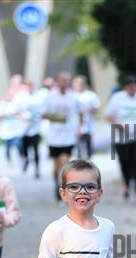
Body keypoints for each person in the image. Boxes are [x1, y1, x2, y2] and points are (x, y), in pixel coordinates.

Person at [104, 75, 136, 203]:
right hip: (122, 137)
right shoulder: (117, 98)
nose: (133, 89)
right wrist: (117, 124)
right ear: (125, 87)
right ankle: (127, 184)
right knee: (126, 163)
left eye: (135, 87)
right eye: (130, 87)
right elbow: (108, 116)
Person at [42, 72, 82, 202]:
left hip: (68, 136)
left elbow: (81, 113)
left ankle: (63, 188)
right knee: (56, 166)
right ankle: (56, 184)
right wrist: (58, 117)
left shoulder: (73, 97)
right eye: (62, 80)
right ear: (58, 81)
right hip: (54, 136)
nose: (65, 83)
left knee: (65, 163)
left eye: (67, 80)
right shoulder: (50, 97)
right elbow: (43, 114)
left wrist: (79, 128)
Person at [0, 91, 28, 167]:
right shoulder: (1, 104)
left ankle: (21, 156)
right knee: (7, 147)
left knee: (19, 144)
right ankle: (9, 161)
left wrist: (21, 116)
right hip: (5, 130)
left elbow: (22, 113)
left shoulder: (16, 104)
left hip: (15, 130)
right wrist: (5, 114)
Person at [72, 75, 100, 159]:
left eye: (80, 84)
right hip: (75, 124)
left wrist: (89, 109)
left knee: (88, 145)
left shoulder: (91, 95)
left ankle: (88, 160)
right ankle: (79, 160)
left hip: (88, 124)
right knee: (78, 146)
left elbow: (97, 107)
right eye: (76, 84)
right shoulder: (72, 95)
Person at [22, 81, 42, 178]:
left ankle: (37, 169)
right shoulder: (22, 97)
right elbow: (16, 110)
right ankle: (26, 160)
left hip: (35, 128)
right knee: (25, 148)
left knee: (36, 149)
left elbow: (42, 111)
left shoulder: (38, 97)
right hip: (24, 129)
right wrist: (23, 116)